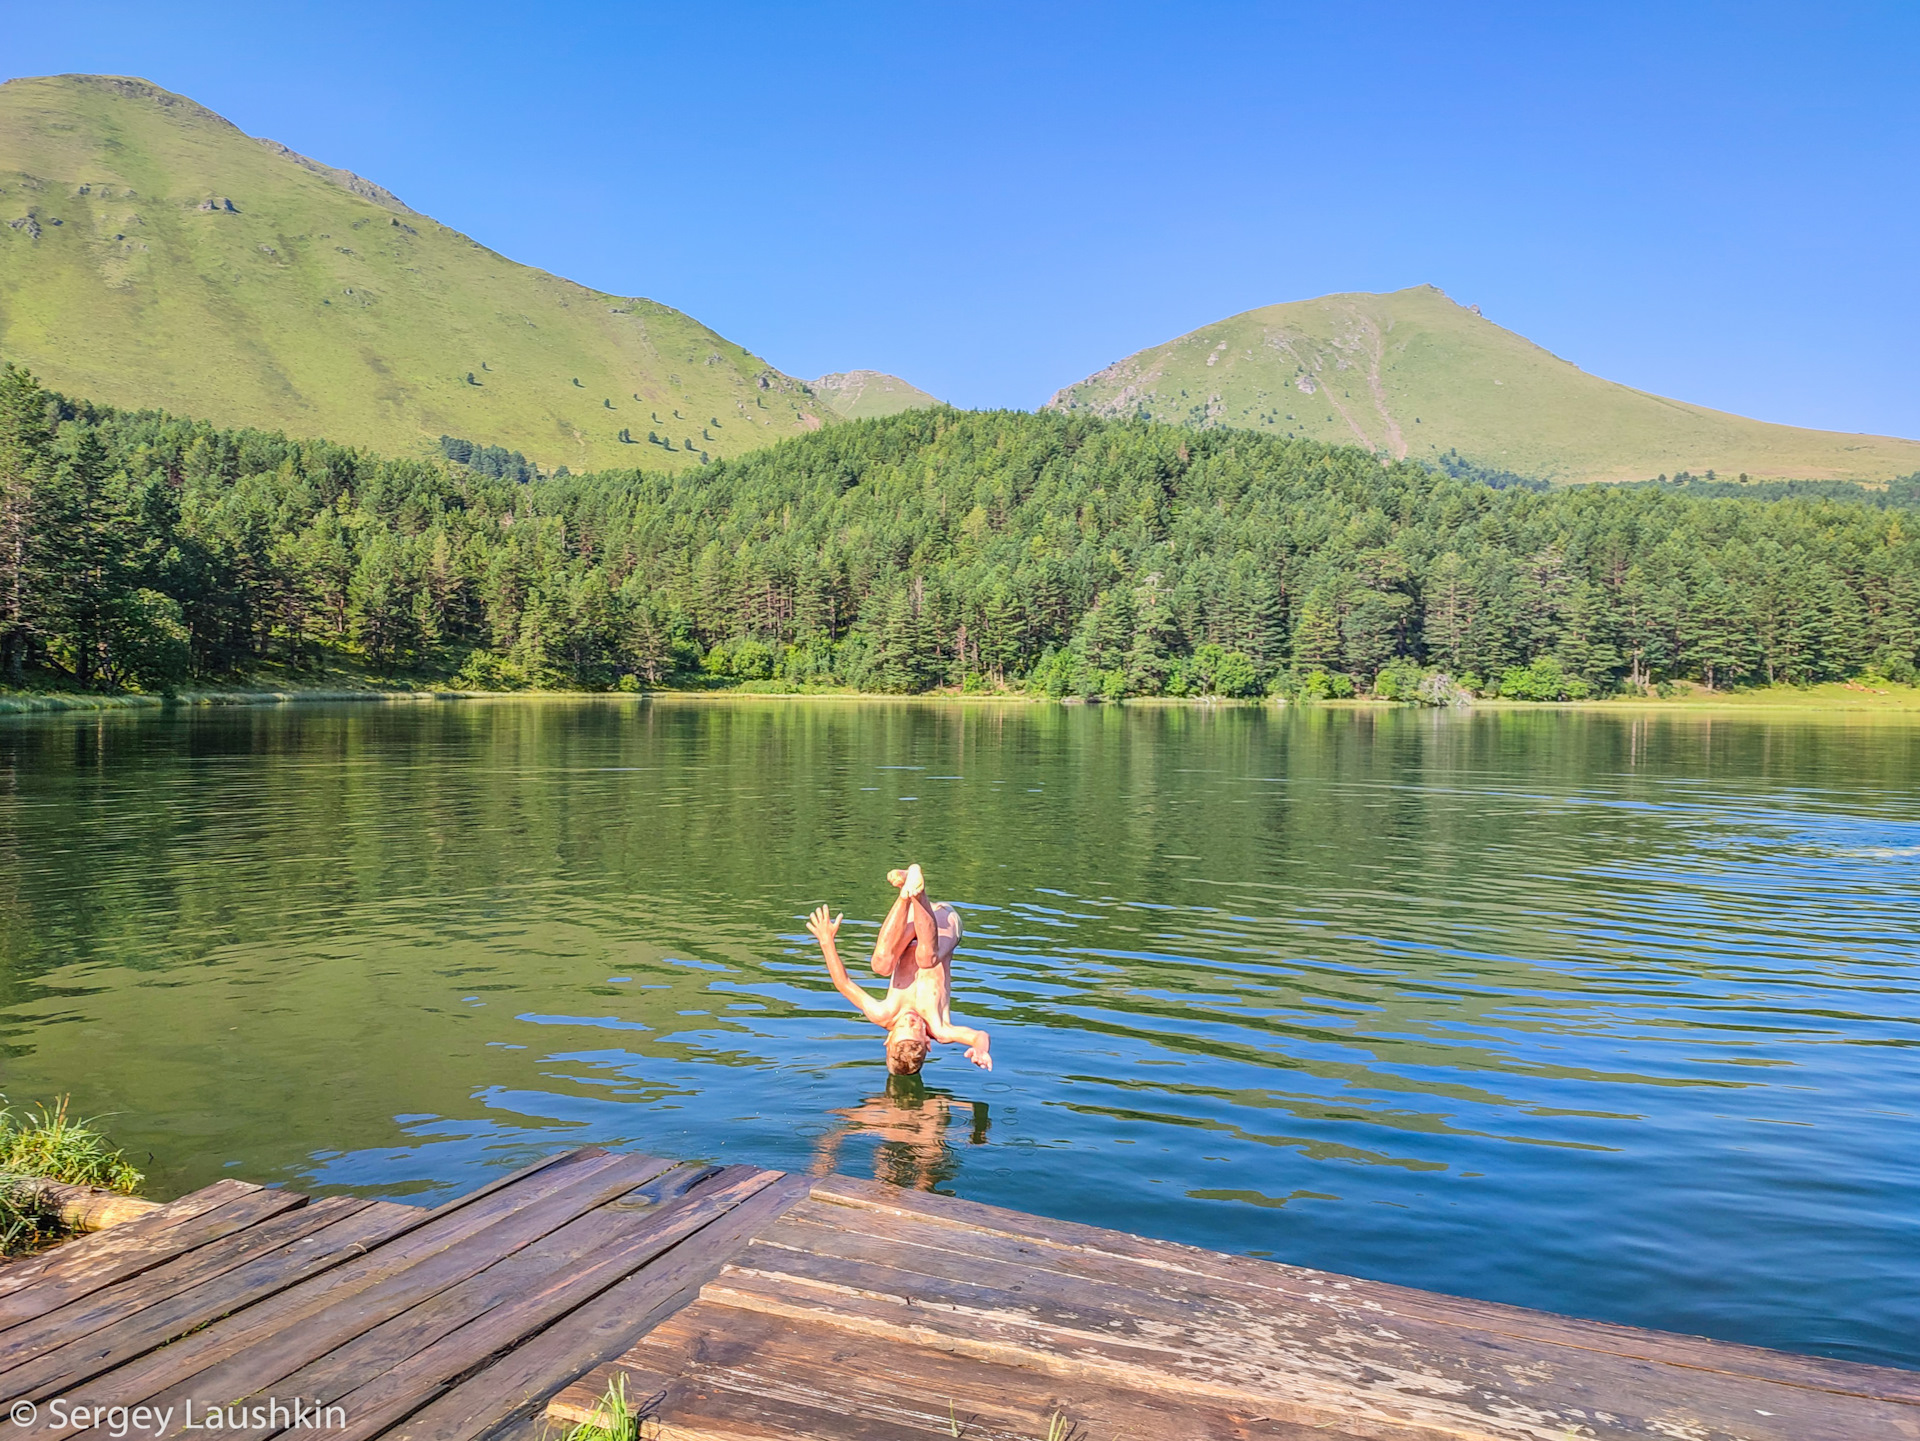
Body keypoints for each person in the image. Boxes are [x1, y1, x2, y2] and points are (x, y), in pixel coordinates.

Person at [806, 864, 991, 1074]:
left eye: (903, 1028)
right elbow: (979, 1036)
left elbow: (843, 984)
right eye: (916, 1029)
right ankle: (918, 893)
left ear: (888, 1038)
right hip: (942, 927)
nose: (911, 1021)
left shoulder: (883, 1013)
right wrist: (980, 1049)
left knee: (880, 965)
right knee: (926, 959)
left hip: (912, 924)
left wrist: (826, 940)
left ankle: (906, 893)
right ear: (928, 1044)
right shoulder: (940, 1028)